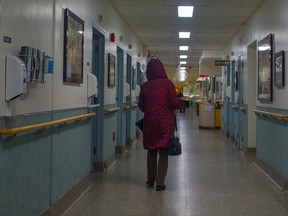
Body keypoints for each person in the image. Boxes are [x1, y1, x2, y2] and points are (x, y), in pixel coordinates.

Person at [138, 57, 185, 191]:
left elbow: (141, 106)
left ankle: (149, 180)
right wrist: (182, 103)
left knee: (151, 151)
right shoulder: (167, 84)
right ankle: (160, 182)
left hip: (150, 123)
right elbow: (174, 102)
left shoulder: (145, 86)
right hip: (164, 122)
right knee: (163, 151)